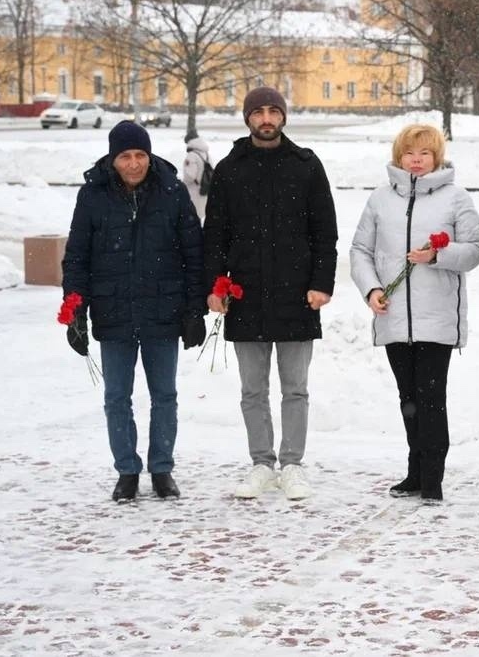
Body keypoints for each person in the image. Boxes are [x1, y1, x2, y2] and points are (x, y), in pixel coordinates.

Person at [202, 86, 338, 501]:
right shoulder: (229, 169)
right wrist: (214, 285)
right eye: (258, 112)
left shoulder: (306, 165)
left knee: (295, 388)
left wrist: (321, 283)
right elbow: (215, 236)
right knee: (252, 390)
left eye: (273, 111)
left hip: (297, 295)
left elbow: (324, 232)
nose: (266, 119)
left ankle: (292, 464)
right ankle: (262, 463)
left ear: (283, 117)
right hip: (246, 296)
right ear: (247, 118)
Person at [62, 120, 206, 502]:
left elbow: (194, 254)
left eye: (140, 155)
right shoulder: (93, 196)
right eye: (125, 156)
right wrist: (75, 310)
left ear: (150, 155)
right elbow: (77, 257)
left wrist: (194, 311)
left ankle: (161, 469)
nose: (134, 164)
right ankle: (127, 470)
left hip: (163, 310)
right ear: (113, 159)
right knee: (116, 397)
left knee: (165, 395)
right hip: (114, 312)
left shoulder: (172, 191)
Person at [349, 124, 479, 504]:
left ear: (437, 157)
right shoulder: (379, 200)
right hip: (394, 318)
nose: (417, 160)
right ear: (398, 157)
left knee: (430, 398)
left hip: (436, 319)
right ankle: (415, 470)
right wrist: (373, 289)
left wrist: (437, 256)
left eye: (425, 153)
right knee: (407, 397)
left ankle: (433, 478)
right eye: (410, 153)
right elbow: (360, 250)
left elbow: (475, 249)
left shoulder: (456, 198)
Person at [182, 134, 214, 220]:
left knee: (192, 218)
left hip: (193, 193)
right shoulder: (206, 154)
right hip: (204, 190)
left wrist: (183, 184)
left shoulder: (192, 155)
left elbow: (190, 176)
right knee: (200, 216)